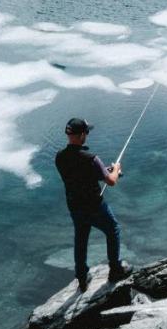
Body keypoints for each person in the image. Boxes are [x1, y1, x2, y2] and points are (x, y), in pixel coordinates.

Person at [54, 117, 129, 290]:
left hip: (74, 207)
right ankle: (115, 270)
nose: (87, 135)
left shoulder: (59, 157)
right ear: (81, 135)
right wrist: (115, 170)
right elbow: (111, 181)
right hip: (94, 206)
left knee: (81, 238)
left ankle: (81, 277)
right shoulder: (92, 159)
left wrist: (102, 172)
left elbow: (76, 176)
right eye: (86, 132)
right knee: (113, 230)